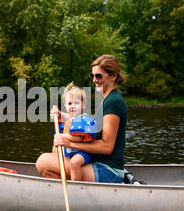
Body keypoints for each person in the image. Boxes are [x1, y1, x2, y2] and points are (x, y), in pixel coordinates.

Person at [36, 54, 127, 183]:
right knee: (53, 155)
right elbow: (91, 126)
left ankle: (74, 195)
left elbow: (107, 147)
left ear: (113, 76)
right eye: (93, 76)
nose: (95, 80)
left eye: (99, 76)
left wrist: (70, 144)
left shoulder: (113, 102)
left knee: (43, 162)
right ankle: (75, 194)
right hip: (99, 163)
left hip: (108, 170)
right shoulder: (107, 100)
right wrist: (64, 115)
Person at [51, 82, 97, 181]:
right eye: (69, 103)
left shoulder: (83, 119)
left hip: (83, 153)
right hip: (70, 152)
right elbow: (65, 119)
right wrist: (57, 113)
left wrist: (62, 136)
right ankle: (61, 179)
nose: (73, 106)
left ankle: (75, 186)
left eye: (76, 103)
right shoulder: (69, 120)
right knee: (55, 151)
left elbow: (78, 138)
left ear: (83, 105)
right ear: (65, 105)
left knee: (75, 162)